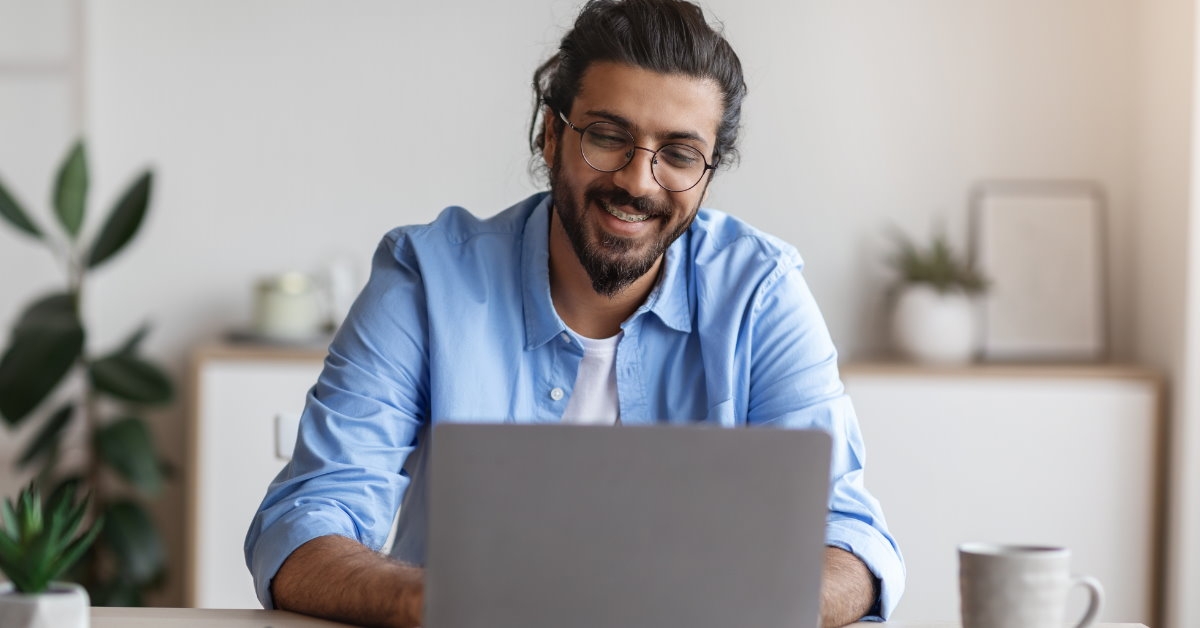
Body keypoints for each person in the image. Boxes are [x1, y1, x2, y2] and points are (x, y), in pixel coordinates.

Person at [244, 1, 905, 626]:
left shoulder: (761, 292)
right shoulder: (426, 279)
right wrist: (431, 601)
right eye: (609, 137)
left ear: (707, 172)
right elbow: (303, 522)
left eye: (678, 154)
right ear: (551, 134)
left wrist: (740, 610)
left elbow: (851, 538)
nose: (638, 181)